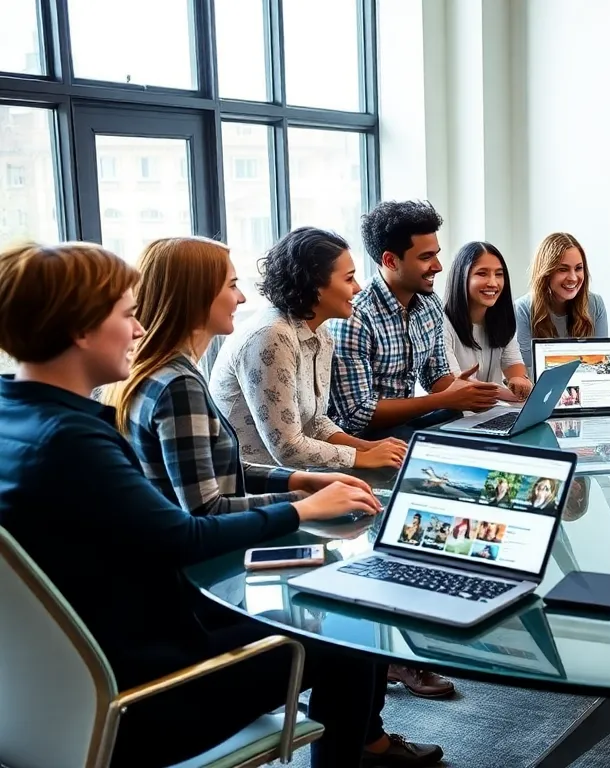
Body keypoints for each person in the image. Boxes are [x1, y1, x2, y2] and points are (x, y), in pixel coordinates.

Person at [0, 242, 443, 768]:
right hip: (149, 692)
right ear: (80, 330)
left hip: (56, 690)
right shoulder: (71, 442)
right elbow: (186, 533)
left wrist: (301, 486)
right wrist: (302, 509)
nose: (138, 330)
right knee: (349, 626)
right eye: (125, 315)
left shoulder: (17, 417)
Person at [107, 236, 374, 519]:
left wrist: (301, 481)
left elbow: (226, 471)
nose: (242, 298)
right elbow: (207, 511)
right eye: (232, 286)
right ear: (197, 296)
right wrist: (303, 503)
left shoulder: (166, 373)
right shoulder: (178, 386)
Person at [210, 227, 407, 470]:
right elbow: (287, 448)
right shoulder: (271, 335)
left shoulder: (320, 332)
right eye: (348, 278)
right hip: (247, 485)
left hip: (290, 477)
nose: (358, 288)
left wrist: (369, 447)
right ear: (314, 285)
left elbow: (316, 422)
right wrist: (361, 457)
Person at [328, 200, 498, 437]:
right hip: (362, 437)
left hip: (405, 425)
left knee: (469, 425)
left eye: (436, 255)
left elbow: (436, 375)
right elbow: (357, 414)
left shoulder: (430, 303)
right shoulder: (355, 316)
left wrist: (479, 394)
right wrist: (444, 399)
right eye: (426, 257)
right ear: (390, 261)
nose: (438, 267)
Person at [443, 241, 531, 400]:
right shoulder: (442, 323)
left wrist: (520, 382)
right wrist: (504, 393)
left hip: (490, 413)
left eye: (499, 274)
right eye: (482, 273)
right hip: (453, 417)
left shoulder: (502, 320)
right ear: (461, 277)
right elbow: (456, 385)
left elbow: (515, 368)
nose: (493, 283)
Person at [514, 232, 609, 376]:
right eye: (563, 269)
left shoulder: (596, 304)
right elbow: (528, 372)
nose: (573, 278)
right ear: (546, 272)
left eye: (578, 268)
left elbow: (600, 364)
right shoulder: (522, 309)